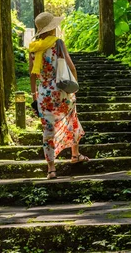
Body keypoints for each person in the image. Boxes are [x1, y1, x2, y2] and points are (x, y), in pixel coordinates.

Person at [28, 12, 88, 179]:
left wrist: (34, 97)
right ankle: (75, 155)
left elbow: (32, 75)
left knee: (48, 131)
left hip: (43, 95)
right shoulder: (58, 43)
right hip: (61, 92)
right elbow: (71, 66)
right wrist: (74, 87)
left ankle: (51, 169)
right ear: (52, 28)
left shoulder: (33, 47)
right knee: (71, 120)